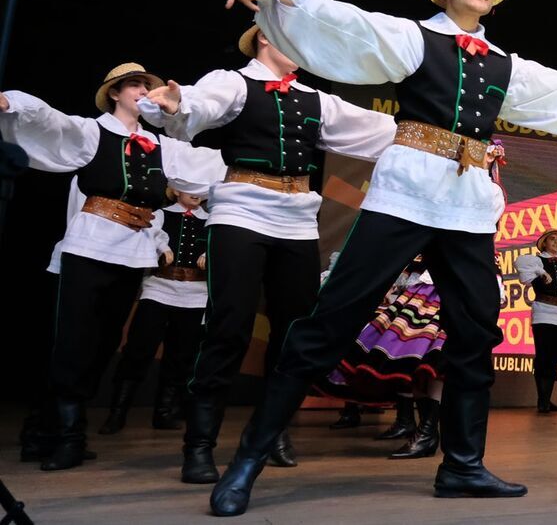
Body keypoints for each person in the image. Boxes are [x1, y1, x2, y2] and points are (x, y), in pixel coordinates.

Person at [207, 0, 557, 515]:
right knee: (329, 320)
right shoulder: (416, 39)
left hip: (466, 206)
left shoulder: (505, 64)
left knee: (474, 334)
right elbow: (344, 24)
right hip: (407, 193)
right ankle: (249, 460)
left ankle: (462, 465)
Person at [140, 24, 397, 483]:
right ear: (263, 38)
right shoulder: (234, 82)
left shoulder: (317, 100)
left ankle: (272, 430)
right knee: (229, 327)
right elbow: (198, 105)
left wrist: (434, 135)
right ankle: (199, 445)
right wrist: (179, 105)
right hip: (241, 212)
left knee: (294, 332)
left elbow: (378, 129)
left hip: (298, 218)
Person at [0, 63, 224, 471]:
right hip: (90, 247)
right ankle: (63, 434)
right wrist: (12, 103)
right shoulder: (91, 132)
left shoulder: (161, 147)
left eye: (146, 86)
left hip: (132, 253)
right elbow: (52, 123)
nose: (142, 90)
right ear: (116, 93)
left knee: (103, 346)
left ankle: (52, 429)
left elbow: (208, 164)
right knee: (73, 343)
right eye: (134, 85)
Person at [98, 182, 211, 435]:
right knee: (139, 348)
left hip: (195, 294)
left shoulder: (212, 220)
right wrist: (164, 248)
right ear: (177, 189)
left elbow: (221, 243)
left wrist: (210, 252)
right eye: (189, 186)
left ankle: (164, 412)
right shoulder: (162, 214)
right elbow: (150, 234)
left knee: (181, 354)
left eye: (200, 187)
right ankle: (117, 412)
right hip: (159, 287)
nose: (195, 193)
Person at [315, 256, 446, 459]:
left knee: (435, 355)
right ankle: (425, 431)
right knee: (412, 356)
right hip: (425, 279)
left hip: (455, 277)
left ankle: (427, 432)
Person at [515, 230, 557, 414]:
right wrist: (541, 271)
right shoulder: (537, 261)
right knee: (544, 356)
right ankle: (542, 401)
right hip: (543, 311)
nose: (556, 241)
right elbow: (519, 261)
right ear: (544, 243)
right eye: (552, 238)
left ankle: (546, 399)